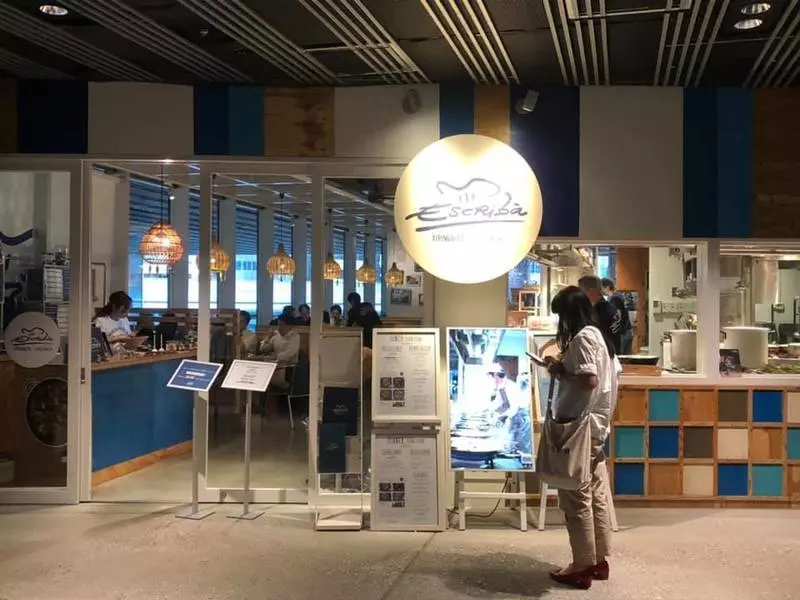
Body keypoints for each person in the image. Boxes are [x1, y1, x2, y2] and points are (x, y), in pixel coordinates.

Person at [545, 286, 616, 590]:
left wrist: (559, 372)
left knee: (575, 497)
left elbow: (589, 380)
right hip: (595, 426)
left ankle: (582, 565)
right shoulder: (599, 336)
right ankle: (598, 560)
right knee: (596, 493)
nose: (560, 323)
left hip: (579, 428)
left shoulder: (584, 337)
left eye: (561, 315)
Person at [578, 275, 622, 356]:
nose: (580, 296)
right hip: (613, 354)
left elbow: (594, 340)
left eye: (581, 292)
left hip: (605, 356)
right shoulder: (609, 307)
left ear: (591, 291)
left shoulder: (598, 311)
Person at [602, 278, 633, 355]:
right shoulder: (618, 296)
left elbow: (617, 316)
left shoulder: (614, 298)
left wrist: (615, 332)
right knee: (625, 357)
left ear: (607, 287)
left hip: (622, 333)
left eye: (601, 288)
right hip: (627, 331)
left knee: (620, 357)